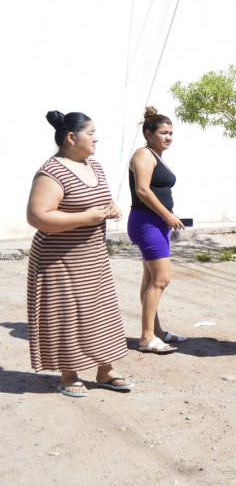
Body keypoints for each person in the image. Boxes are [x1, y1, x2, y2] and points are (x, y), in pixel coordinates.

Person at [26, 111, 133, 397]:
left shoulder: (94, 166)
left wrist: (113, 208)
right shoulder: (52, 171)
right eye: (90, 132)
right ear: (71, 138)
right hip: (58, 260)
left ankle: (104, 369)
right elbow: (37, 216)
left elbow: (101, 199)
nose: (95, 138)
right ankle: (68, 374)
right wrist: (85, 218)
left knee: (99, 313)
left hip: (93, 258)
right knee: (68, 316)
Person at [128, 107, 185, 354]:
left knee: (150, 279)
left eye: (171, 133)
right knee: (162, 279)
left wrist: (168, 216)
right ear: (148, 133)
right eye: (163, 132)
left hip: (157, 223)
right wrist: (166, 214)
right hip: (146, 223)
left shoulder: (156, 155)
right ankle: (147, 338)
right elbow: (142, 190)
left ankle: (156, 331)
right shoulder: (143, 154)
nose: (169, 137)